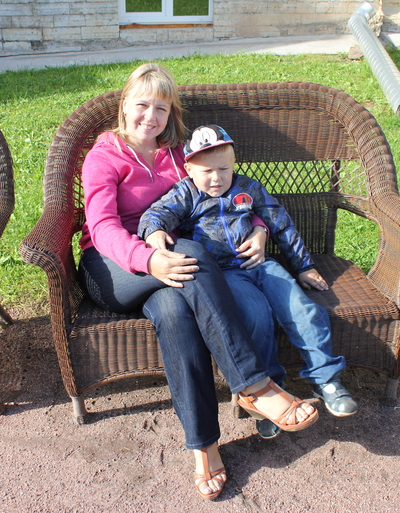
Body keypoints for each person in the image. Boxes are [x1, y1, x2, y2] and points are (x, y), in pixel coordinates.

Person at [77, 63, 319, 501]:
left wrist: (259, 227)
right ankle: (255, 385)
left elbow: (225, 197)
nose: (151, 117)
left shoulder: (179, 155)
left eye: (161, 108)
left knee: (176, 316)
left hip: (171, 266)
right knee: (194, 255)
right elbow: (103, 227)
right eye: (142, 105)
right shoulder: (104, 156)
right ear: (124, 105)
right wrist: (148, 259)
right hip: (111, 267)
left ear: (171, 113)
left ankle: (203, 447)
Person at [138, 124, 358, 439]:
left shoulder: (248, 188)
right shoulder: (186, 193)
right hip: (225, 274)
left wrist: (304, 267)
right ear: (188, 169)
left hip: (262, 265)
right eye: (207, 171)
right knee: (256, 317)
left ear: (234, 164)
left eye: (224, 169)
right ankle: (270, 394)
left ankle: (327, 379)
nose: (216, 178)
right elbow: (154, 215)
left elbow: (280, 223)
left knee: (304, 310)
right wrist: (155, 231)